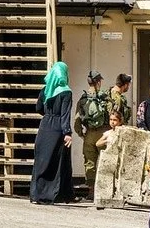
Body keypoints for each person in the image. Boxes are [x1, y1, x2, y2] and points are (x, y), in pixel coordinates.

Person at [31, 61, 78, 204]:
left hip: (45, 126)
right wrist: (67, 132)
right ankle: (57, 194)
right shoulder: (65, 91)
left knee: (42, 160)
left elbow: (38, 108)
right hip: (58, 128)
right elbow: (65, 115)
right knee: (59, 161)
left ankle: (37, 194)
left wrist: (48, 116)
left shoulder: (46, 90)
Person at [74, 70, 109, 201]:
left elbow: (77, 120)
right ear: (98, 82)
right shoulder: (104, 97)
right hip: (103, 133)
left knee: (90, 163)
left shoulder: (83, 99)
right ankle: (104, 192)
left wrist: (81, 133)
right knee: (105, 161)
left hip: (89, 134)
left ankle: (91, 191)